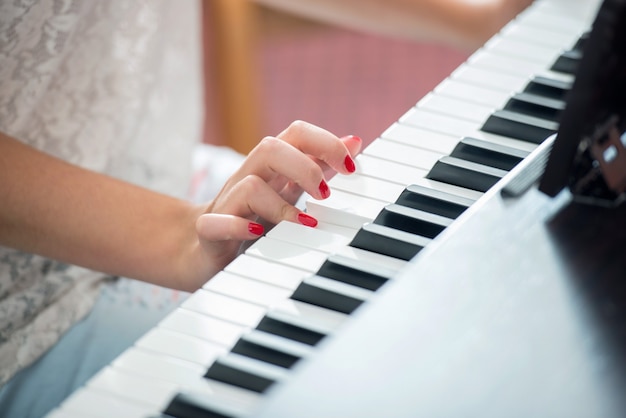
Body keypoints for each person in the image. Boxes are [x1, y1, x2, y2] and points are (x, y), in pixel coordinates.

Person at [0, 0, 532, 416]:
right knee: (359, 385)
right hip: (32, 306)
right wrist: (182, 236)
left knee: (428, 307)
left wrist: (481, 21)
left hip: (166, 177)